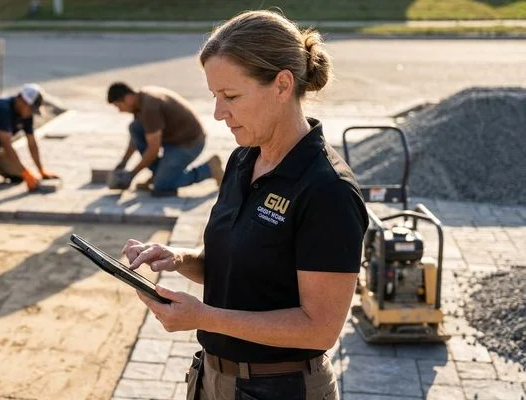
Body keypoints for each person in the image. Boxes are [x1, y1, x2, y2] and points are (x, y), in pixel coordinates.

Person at [121, 10, 368, 400]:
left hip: (281, 388)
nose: (219, 113)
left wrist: (203, 317)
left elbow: (320, 326)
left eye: (231, 96)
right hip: (214, 379)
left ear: (282, 85)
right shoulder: (243, 159)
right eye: (215, 96)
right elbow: (236, 264)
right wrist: (178, 259)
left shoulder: (327, 190)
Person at [107, 82, 223, 197]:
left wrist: (132, 174)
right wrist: (123, 163)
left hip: (189, 144)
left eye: (118, 106)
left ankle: (209, 169)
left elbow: (153, 150)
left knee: (162, 187)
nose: (120, 111)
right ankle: (159, 174)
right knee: (135, 127)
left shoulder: (149, 107)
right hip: (173, 140)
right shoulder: (141, 100)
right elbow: (135, 141)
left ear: (128, 99)